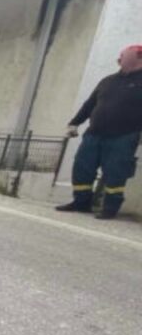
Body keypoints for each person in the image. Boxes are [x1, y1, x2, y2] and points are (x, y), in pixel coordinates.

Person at [56, 45, 142, 220]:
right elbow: (90, 104)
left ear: (138, 57)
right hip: (94, 133)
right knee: (82, 167)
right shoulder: (108, 81)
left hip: (124, 136)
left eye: (124, 55)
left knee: (116, 173)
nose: (120, 57)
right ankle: (81, 202)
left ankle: (110, 208)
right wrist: (74, 123)